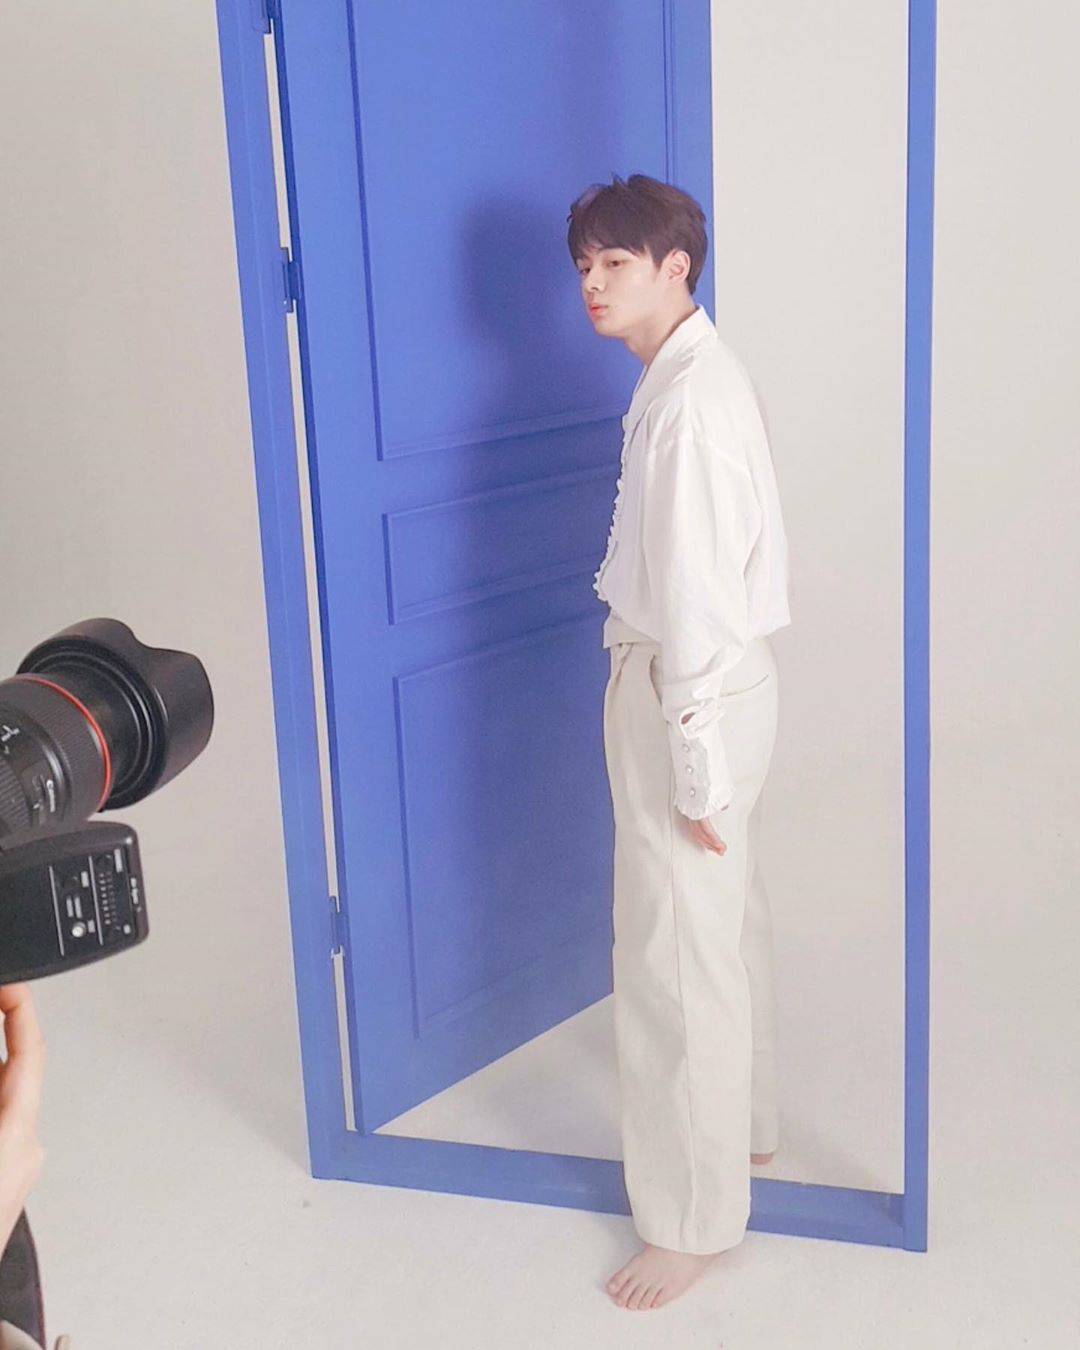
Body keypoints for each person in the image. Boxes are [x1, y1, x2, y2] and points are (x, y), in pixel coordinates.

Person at [567, 174, 792, 1311]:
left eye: (616, 262)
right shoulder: (688, 379)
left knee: (671, 959)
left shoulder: (689, 406)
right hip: (711, 686)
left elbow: (698, 602)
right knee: (720, 928)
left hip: (685, 692)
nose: (594, 284)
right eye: (584, 266)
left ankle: (693, 1221)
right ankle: (744, 1131)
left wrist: (694, 767)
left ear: (676, 267)